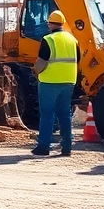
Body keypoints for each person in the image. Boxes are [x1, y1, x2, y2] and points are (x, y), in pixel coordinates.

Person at [31, 10, 78, 157]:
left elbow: (41, 62)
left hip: (49, 81)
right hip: (69, 81)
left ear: (50, 24)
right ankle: (67, 147)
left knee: (47, 113)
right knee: (65, 114)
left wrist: (35, 72)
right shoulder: (73, 40)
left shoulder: (48, 39)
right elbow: (79, 60)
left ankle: (44, 146)